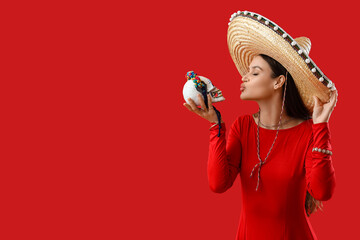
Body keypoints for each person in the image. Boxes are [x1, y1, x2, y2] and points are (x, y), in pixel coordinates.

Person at [183, 10, 338, 240]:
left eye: (254, 72)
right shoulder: (242, 126)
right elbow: (218, 183)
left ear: (278, 81)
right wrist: (215, 126)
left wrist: (321, 126)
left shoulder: (307, 133)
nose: (244, 77)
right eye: (248, 71)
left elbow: (322, 191)